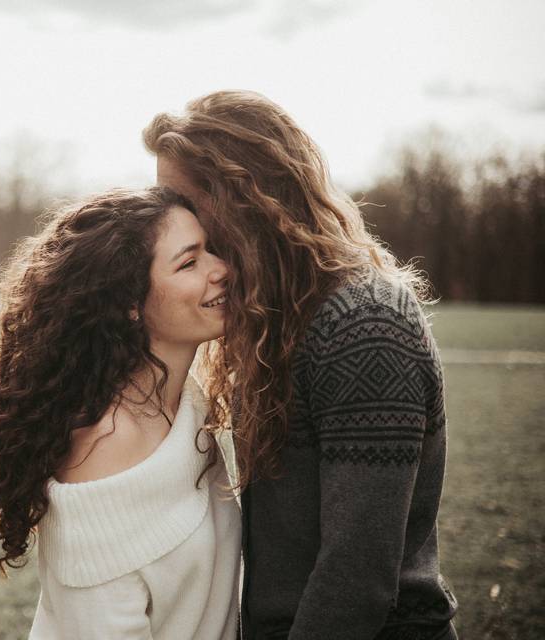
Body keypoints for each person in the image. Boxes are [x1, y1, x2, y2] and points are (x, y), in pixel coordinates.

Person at [143, 90, 458, 640]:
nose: (170, 217)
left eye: (182, 201)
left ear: (245, 199)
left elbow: (356, 577)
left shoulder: (365, 324)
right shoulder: (276, 316)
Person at [0, 187, 242, 639]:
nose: (222, 269)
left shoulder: (187, 402)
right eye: (189, 263)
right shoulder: (107, 444)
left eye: (212, 250)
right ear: (129, 304)